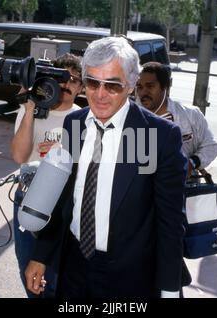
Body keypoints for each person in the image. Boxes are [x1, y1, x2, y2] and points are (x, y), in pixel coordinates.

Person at [25, 37, 188, 298]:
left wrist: (168, 290)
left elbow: (170, 221)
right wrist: (41, 255)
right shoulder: (74, 124)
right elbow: (63, 200)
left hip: (131, 277)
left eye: (112, 85)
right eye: (92, 82)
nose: (100, 94)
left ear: (131, 85)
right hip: (74, 268)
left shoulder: (158, 136)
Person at [11, 53, 83, 298]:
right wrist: (31, 105)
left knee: (57, 277)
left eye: (75, 80)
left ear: (82, 87)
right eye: (62, 77)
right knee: (30, 273)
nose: (67, 84)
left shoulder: (83, 118)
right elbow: (20, 156)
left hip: (64, 207)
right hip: (29, 200)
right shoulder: (31, 109)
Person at [136, 61, 217, 177]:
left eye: (150, 86)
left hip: (184, 189)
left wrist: (191, 163)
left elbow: (210, 146)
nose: (143, 92)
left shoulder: (190, 115)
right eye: (139, 87)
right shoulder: (131, 119)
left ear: (165, 86)